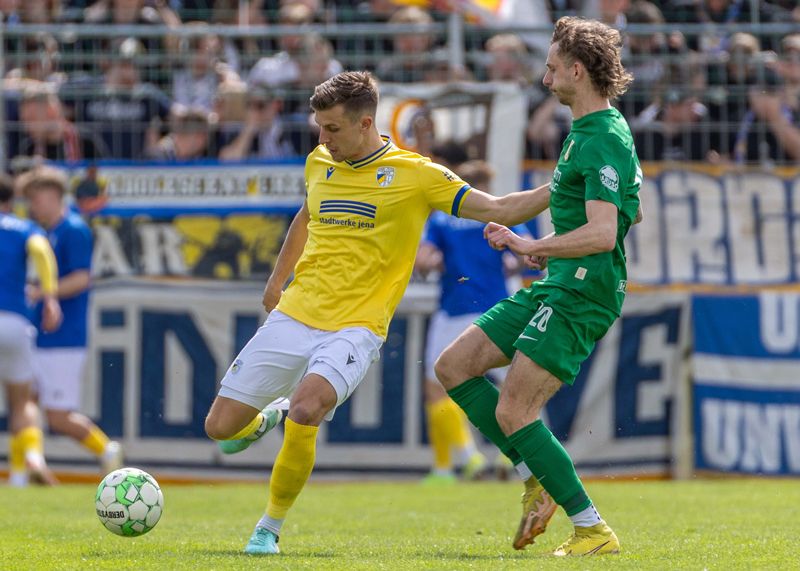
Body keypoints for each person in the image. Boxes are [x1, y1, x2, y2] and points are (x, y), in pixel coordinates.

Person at [203, 70, 553, 555]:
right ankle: (267, 417)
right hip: (296, 313)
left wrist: (563, 185)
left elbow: (500, 206)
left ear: (365, 122)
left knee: (307, 409)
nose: (322, 138)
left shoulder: (417, 175)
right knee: (220, 429)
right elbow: (305, 215)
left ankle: (269, 527)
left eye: (332, 128)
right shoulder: (319, 161)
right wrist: (275, 281)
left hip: (356, 327)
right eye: (319, 127)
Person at [435, 16, 642, 557]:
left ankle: (592, 528)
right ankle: (535, 477)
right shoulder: (588, 131)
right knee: (453, 367)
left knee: (513, 412)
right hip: (557, 284)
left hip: (582, 291)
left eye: (551, 69)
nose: (545, 80)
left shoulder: (603, 138)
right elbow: (545, 199)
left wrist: (533, 247)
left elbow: (602, 233)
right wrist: (469, 201)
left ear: (577, 69)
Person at [416, 160, 532, 485]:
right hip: (497, 311)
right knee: (516, 390)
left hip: (455, 309)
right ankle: (516, 461)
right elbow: (525, 254)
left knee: (436, 388)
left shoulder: (442, 219)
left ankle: (467, 458)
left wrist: (434, 263)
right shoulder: (499, 218)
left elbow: (423, 259)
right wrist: (512, 263)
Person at [20, 167, 124, 475]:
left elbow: (81, 278)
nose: (31, 206)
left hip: (65, 336)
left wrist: (41, 293)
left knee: (58, 417)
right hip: (40, 333)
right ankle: (28, 468)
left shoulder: (74, 229)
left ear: (53, 195)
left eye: (35, 198)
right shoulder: (43, 231)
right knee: (25, 401)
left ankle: (107, 450)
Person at [0, 173, 61, 487]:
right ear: (11, 201)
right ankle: (31, 462)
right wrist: (49, 297)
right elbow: (41, 254)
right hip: (13, 321)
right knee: (22, 400)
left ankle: (19, 474)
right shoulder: (24, 229)